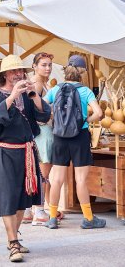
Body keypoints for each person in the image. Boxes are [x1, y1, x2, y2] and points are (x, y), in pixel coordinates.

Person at [0, 55, 51, 262]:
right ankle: (13, 242)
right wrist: (12, 95)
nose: (18, 74)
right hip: (5, 151)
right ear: (4, 75)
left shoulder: (27, 95)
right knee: (7, 195)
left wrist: (33, 95)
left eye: (20, 71)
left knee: (22, 198)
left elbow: (44, 116)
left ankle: (14, 238)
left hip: (26, 151)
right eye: (13, 71)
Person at [43, 54, 105, 229]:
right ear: (83, 72)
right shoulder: (85, 91)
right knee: (81, 180)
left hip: (59, 137)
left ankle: (53, 218)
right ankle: (89, 219)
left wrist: (54, 120)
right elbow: (99, 113)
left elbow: (42, 107)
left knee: (57, 179)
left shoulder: (55, 90)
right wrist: (86, 120)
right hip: (80, 136)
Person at [23, 52, 64, 225]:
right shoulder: (37, 83)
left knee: (37, 173)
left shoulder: (38, 82)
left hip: (39, 133)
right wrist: (51, 115)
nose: (47, 68)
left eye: (49, 65)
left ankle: (28, 211)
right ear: (34, 66)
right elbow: (35, 111)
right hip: (44, 132)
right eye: (43, 65)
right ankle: (40, 211)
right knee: (43, 174)